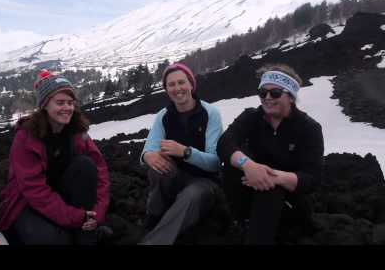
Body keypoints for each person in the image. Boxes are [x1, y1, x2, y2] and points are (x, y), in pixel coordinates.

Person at [0, 69, 110, 245]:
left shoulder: (76, 132)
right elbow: (34, 191)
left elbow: (100, 169)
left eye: (71, 103)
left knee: (85, 165)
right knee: (54, 240)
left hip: (62, 195)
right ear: (45, 105)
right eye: (60, 102)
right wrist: (75, 217)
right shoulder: (27, 137)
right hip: (28, 203)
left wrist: (98, 213)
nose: (67, 108)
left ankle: (87, 234)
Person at [217, 63, 324, 245]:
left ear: (291, 97)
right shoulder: (251, 117)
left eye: (275, 93)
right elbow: (224, 144)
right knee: (232, 165)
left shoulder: (309, 128)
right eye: (262, 93)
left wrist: (273, 177)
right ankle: (242, 223)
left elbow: (312, 178)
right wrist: (249, 165)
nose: (267, 98)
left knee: (270, 189)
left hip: (289, 202)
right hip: (250, 191)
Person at [139, 63, 223, 245]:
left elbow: (215, 162)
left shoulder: (210, 114)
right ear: (166, 89)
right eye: (171, 84)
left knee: (191, 195)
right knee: (156, 168)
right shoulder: (164, 115)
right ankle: (154, 215)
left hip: (204, 182)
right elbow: (148, 148)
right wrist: (149, 156)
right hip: (176, 177)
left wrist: (185, 152)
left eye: (181, 82)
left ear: (191, 85)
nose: (177, 89)